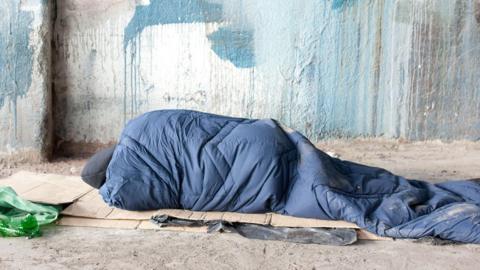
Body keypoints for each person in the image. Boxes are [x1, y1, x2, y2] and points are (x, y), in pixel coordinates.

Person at [81, 110, 480, 243]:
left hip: (271, 182)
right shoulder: (142, 124)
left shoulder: (120, 191)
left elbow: (169, 191)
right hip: (269, 139)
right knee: (363, 178)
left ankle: (462, 215)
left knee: (366, 203)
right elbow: (211, 123)